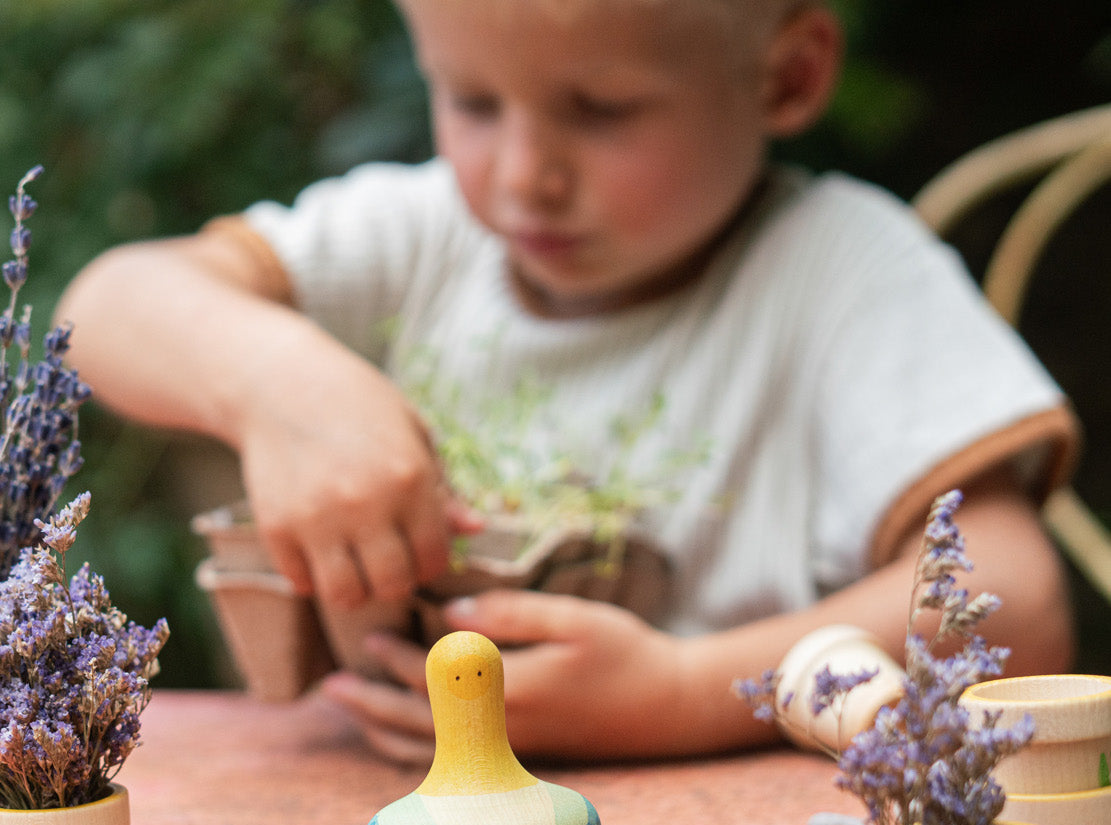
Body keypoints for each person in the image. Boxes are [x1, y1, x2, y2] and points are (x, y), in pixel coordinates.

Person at [57, 0, 1078, 764]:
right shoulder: (422, 238)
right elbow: (98, 309)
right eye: (470, 100)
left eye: (601, 109)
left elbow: (1015, 602)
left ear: (786, 77)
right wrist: (275, 381)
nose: (521, 175)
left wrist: (681, 691)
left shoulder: (842, 269)